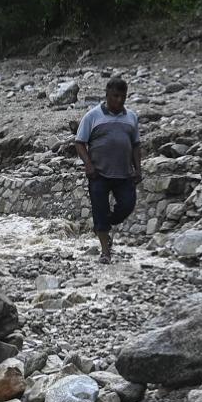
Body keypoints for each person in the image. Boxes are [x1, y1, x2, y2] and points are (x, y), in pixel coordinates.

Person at [74, 78, 141, 264]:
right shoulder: (92, 116)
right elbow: (80, 142)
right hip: (99, 174)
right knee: (99, 210)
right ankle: (105, 250)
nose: (119, 100)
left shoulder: (131, 117)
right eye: (115, 96)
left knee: (127, 206)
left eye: (123, 97)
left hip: (124, 173)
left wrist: (138, 169)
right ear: (107, 95)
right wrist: (88, 164)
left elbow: (136, 145)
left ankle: (104, 225)